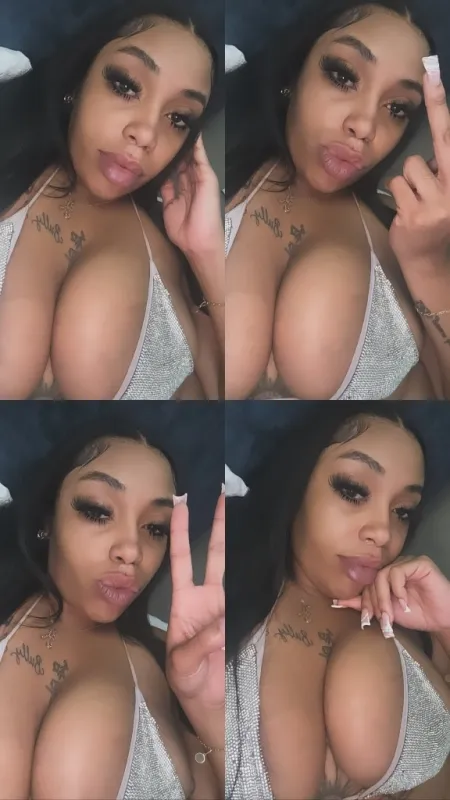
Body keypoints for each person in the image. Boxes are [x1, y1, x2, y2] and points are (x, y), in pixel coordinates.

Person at [226, 0, 450, 401]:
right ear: (295, 73)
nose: (364, 126)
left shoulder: (409, 239)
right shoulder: (192, 181)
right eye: (343, 76)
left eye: (397, 108)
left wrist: (428, 265)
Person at [0, 0, 224, 400]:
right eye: (125, 86)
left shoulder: (173, 255)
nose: (147, 133)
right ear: (78, 80)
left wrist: (207, 255)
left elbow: (226, 393)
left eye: (178, 119)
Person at [226, 401, 450, 800]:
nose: (383, 532)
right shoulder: (220, 617)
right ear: (297, 484)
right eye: (353, 491)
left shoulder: (412, 627)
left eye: (402, 511)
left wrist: (447, 626)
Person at [0, 417, 225, 799]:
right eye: (98, 511)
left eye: (155, 528)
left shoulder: (169, 661)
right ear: (48, 519)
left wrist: (208, 713)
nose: (132, 551)